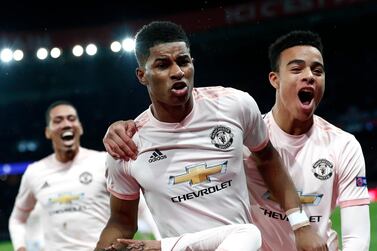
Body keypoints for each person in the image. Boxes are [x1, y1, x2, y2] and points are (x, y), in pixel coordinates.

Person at [103, 30, 371, 250]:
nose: (177, 72)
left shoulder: (234, 107)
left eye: (184, 61)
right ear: (142, 75)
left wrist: (300, 223)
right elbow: (121, 220)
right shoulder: (128, 144)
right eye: (163, 65)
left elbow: (268, 158)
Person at [8, 100, 160, 251]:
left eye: (71, 119)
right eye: (58, 120)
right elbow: (17, 219)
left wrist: (161, 241)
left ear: (80, 128)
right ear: (48, 132)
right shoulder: (34, 172)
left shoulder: (103, 161)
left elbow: (143, 208)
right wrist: (20, 247)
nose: (66, 124)